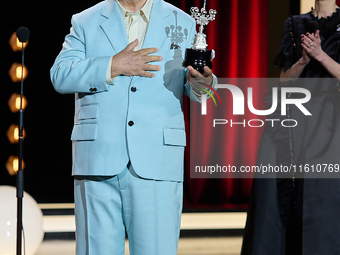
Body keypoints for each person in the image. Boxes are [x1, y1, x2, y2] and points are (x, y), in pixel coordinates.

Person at [50, 0, 215, 254]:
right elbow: (60, 75)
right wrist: (113, 65)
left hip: (157, 160)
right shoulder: (85, 20)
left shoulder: (182, 21)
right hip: (97, 160)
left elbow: (197, 90)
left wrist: (203, 82)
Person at [242, 0, 340, 254]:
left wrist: (321, 55)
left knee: (322, 197)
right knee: (279, 196)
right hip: (296, 117)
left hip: (332, 120)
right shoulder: (294, 23)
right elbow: (285, 79)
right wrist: (304, 60)